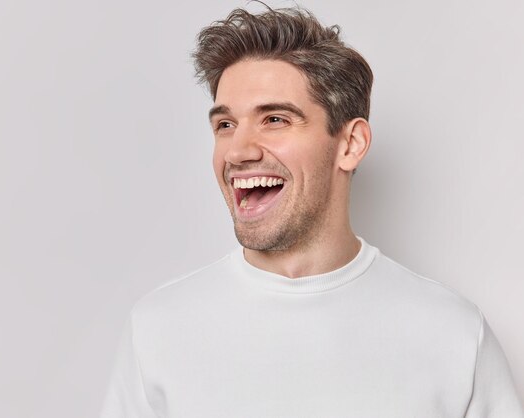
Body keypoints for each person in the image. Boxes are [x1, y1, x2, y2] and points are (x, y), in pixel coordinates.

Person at [101, 6, 523, 417]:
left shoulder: (454, 335)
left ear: (350, 144)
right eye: (225, 125)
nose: (239, 151)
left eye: (275, 119)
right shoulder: (158, 330)